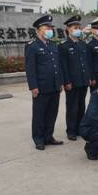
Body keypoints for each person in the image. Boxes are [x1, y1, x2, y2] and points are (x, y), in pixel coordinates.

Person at [24, 15, 64, 151]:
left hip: (54, 86)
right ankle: (38, 139)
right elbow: (30, 68)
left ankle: (48, 136)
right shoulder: (32, 46)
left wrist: (60, 82)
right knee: (39, 114)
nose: (50, 30)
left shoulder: (53, 45)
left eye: (51, 28)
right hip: (41, 87)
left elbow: (58, 66)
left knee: (52, 113)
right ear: (39, 29)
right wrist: (33, 86)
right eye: (47, 27)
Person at [59, 15, 92, 141]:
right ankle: (71, 130)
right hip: (72, 83)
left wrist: (89, 77)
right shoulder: (63, 46)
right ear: (68, 29)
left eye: (79, 27)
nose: (78, 30)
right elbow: (63, 66)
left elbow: (86, 63)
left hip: (83, 81)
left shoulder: (83, 44)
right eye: (75, 27)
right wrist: (66, 81)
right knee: (72, 107)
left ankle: (79, 128)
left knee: (81, 106)